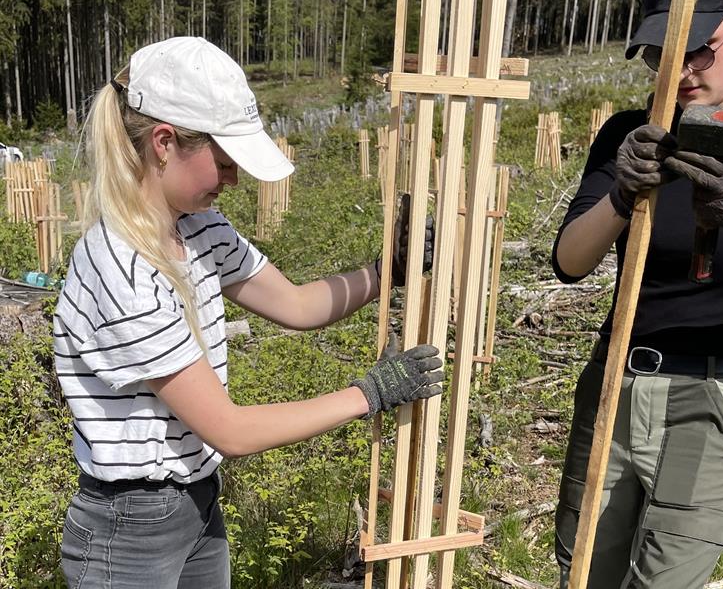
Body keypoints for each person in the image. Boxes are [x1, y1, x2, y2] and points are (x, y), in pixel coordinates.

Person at [55, 36, 442, 588]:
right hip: (129, 528)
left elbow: (298, 304)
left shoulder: (199, 230)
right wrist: (368, 395)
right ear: (164, 143)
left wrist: (386, 273)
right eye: (224, 161)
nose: (234, 179)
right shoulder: (121, 266)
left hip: (197, 504)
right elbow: (231, 430)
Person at [551, 0, 723, 588]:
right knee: (582, 573)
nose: (678, 70)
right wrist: (622, 195)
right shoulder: (629, 134)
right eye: (660, 52)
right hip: (614, 384)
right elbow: (569, 261)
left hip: (709, 401)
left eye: (696, 50)